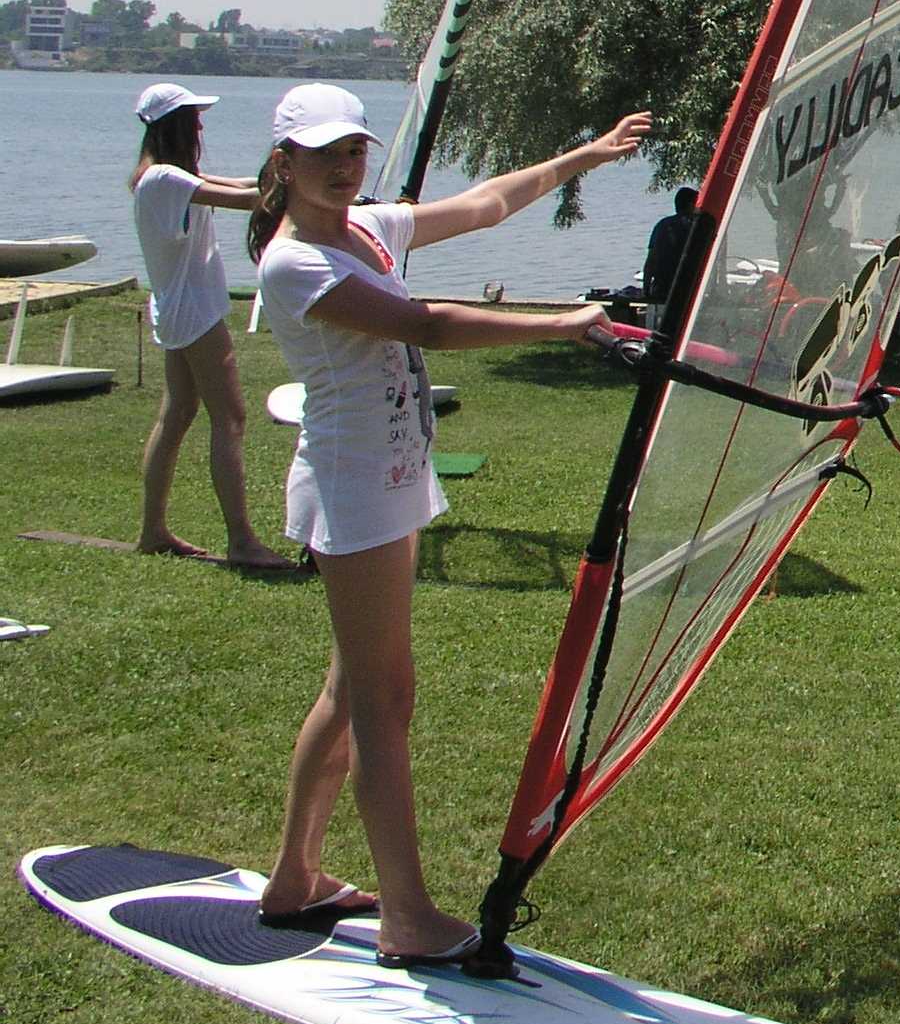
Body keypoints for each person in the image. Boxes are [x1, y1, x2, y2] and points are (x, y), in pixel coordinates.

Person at [248, 82, 647, 962]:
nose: (347, 167)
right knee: (384, 699)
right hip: (355, 487)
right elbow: (425, 325)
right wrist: (565, 323)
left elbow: (481, 205)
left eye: (354, 151)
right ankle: (406, 916)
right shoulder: (293, 262)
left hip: (386, 476)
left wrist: (585, 155)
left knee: (352, 689)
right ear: (285, 165)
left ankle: (293, 881)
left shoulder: (357, 230)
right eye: (325, 156)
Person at [127, 83, 291, 568]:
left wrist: (287, 168)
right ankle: (241, 540)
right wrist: (294, 180)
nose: (200, 126)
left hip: (180, 309)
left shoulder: (167, 178)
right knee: (231, 417)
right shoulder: (164, 181)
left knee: (176, 415)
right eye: (193, 117)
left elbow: (243, 185)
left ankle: (153, 531)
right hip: (195, 313)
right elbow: (251, 202)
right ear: (175, 125)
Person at [643, 185, 698, 327]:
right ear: (692, 204)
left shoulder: (662, 225)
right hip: (689, 288)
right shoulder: (697, 227)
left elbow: (651, 260)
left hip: (662, 289)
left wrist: (646, 289)